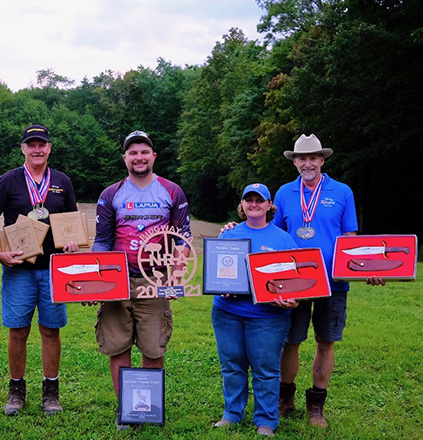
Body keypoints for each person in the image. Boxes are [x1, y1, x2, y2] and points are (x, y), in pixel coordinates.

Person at [273, 134, 384, 427]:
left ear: (322, 160)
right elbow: (274, 237)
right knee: (291, 341)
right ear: (294, 162)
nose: (307, 163)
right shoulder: (284, 193)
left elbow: (350, 239)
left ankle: (316, 406)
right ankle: (285, 400)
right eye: (301, 158)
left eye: (313, 158)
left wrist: (366, 269)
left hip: (333, 282)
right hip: (294, 279)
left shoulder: (343, 191)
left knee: (326, 341)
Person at [91, 130, 191, 428]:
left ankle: (146, 408)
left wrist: (177, 273)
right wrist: (98, 276)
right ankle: (126, 411)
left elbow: (183, 237)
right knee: (118, 345)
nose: (139, 157)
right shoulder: (111, 194)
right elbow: (102, 240)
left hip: (156, 280)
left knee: (153, 347)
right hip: (118, 281)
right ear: (125, 158)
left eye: (144, 152)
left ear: (153, 156)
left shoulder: (172, 191)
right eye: (133, 153)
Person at [0, 124, 79, 416]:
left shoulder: (62, 180)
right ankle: (16, 390)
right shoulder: (8, 181)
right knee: (18, 331)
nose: (37, 149)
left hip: (54, 269)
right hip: (19, 269)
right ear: (23, 148)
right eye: (31, 144)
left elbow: (71, 220)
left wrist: (72, 241)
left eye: (42, 144)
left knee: (51, 330)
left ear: (50, 148)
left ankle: (51, 391)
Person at [212, 183, 298, 437]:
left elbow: (296, 280)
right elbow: (218, 274)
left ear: (270, 205)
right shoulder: (228, 235)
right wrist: (220, 287)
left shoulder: (283, 239)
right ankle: (232, 413)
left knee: (266, 369)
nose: (254, 204)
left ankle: (266, 420)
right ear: (242, 205)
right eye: (248, 199)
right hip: (227, 313)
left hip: (267, 317)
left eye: (259, 200)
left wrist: (294, 301)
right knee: (231, 366)